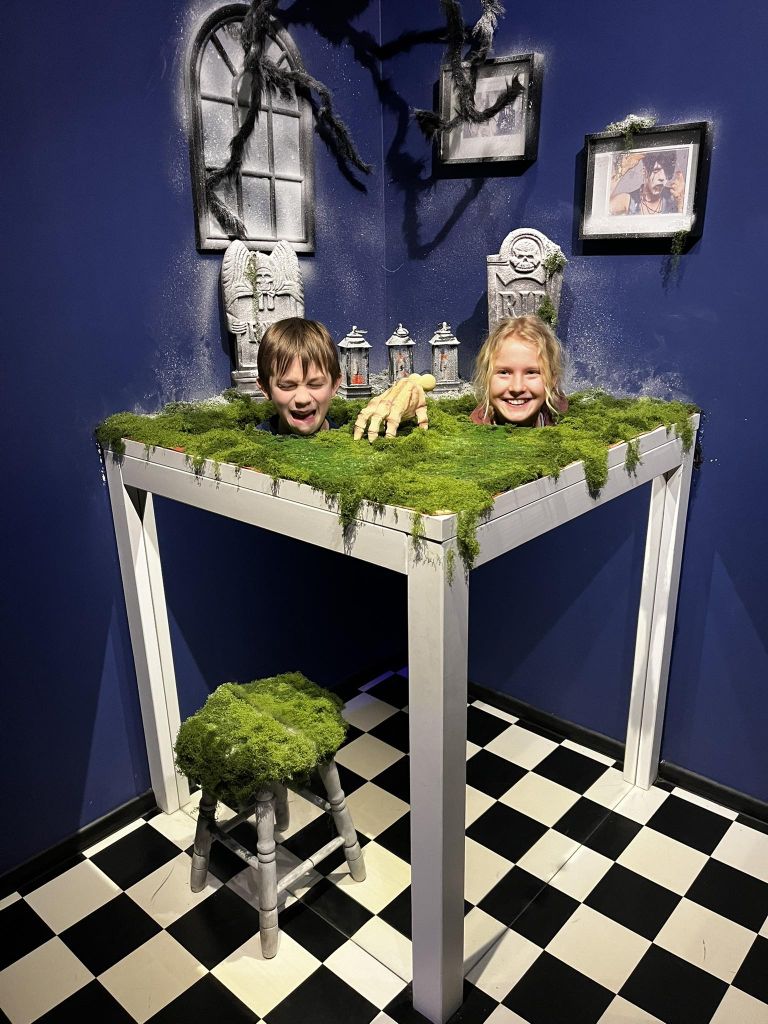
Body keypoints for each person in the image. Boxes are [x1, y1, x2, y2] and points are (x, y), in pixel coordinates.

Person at [353, 315, 566, 440]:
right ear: (486, 378)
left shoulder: (560, 415)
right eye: (503, 372)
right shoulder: (473, 428)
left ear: (552, 379)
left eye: (532, 372)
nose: (517, 387)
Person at [256, 318, 341, 436]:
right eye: (287, 386)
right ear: (265, 388)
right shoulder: (250, 442)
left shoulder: (353, 440)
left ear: (335, 385)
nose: (302, 399)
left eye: (315, 385)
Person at [610, 150, 684, 216]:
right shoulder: (628, 200)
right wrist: (622, 169)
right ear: (644, 171)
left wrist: (680, 204)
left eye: (666, 172)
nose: (662, 177)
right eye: (656, 170)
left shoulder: (674, 197)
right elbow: (603, 207)